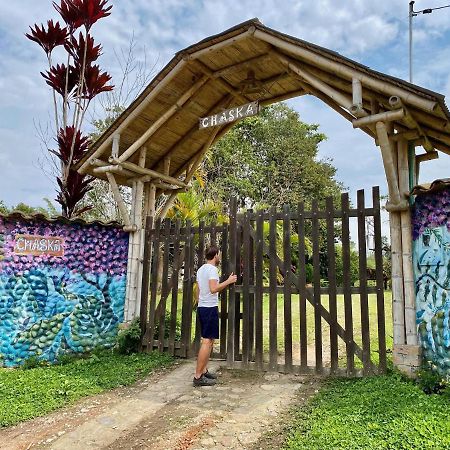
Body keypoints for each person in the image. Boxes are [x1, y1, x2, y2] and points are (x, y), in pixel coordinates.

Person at [193, 246, 237, 387]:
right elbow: (213, 289)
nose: (220, 257)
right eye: (220, 255)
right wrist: (228, 281)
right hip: (209, 308)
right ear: (216, 255)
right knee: (207, 341)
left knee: (209, 341)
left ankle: (204, 370)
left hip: (203, 307)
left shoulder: (201, 269)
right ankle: (198, 376)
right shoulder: (212, 270)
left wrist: (200, 302)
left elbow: (198, 289)